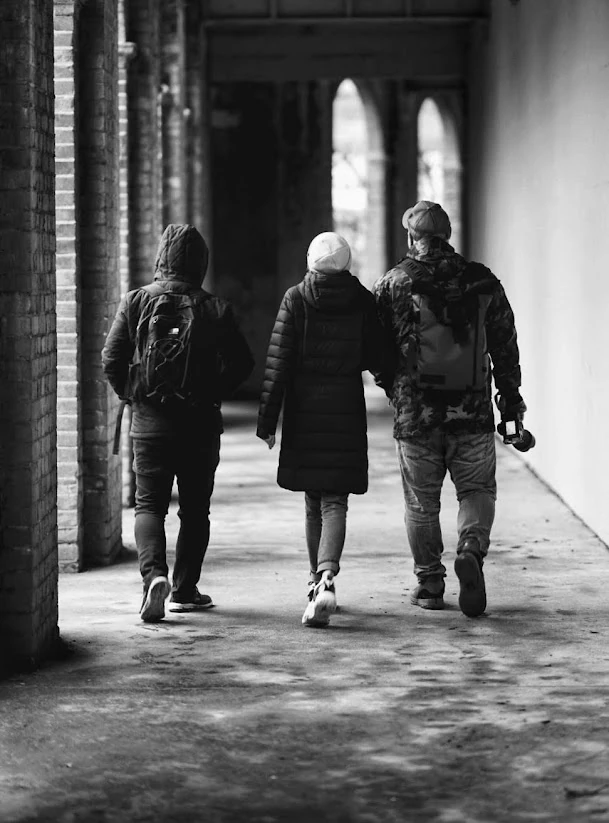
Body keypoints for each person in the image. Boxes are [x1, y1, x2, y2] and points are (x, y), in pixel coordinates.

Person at [374, 201, 526, 617]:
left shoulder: (393, 283)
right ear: (448, 236)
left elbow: (375, 347)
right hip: (472, 411)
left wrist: (393, 388)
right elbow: (505, 345)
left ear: (411, 238)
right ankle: (472, 553)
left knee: (421, 504)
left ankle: (429, 585)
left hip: (415, 415)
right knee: (476, 490)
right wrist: (511, 399)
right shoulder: (482, 280)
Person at [102, 223, 254, 623]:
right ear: (199, 263)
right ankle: (185, 589)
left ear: (161, 258)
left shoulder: (135, 301)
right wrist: (211, 391)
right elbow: (243, 364)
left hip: (149, 425)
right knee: (195, 510)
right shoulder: (214, 308)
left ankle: (154, 577)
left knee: (149, 504)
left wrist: (134, 391)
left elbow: (111, 359)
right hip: (200, 424)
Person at [257, 231, 393, 627]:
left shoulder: (295, 299)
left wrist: (268, 423)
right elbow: (378, 354)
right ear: (347, 263)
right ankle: (328, 576)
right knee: (336, 500)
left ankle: (317, 580)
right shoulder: (362, 299)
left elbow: (277, 364)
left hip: (304, 412)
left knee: (313, 500)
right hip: (345, 409)